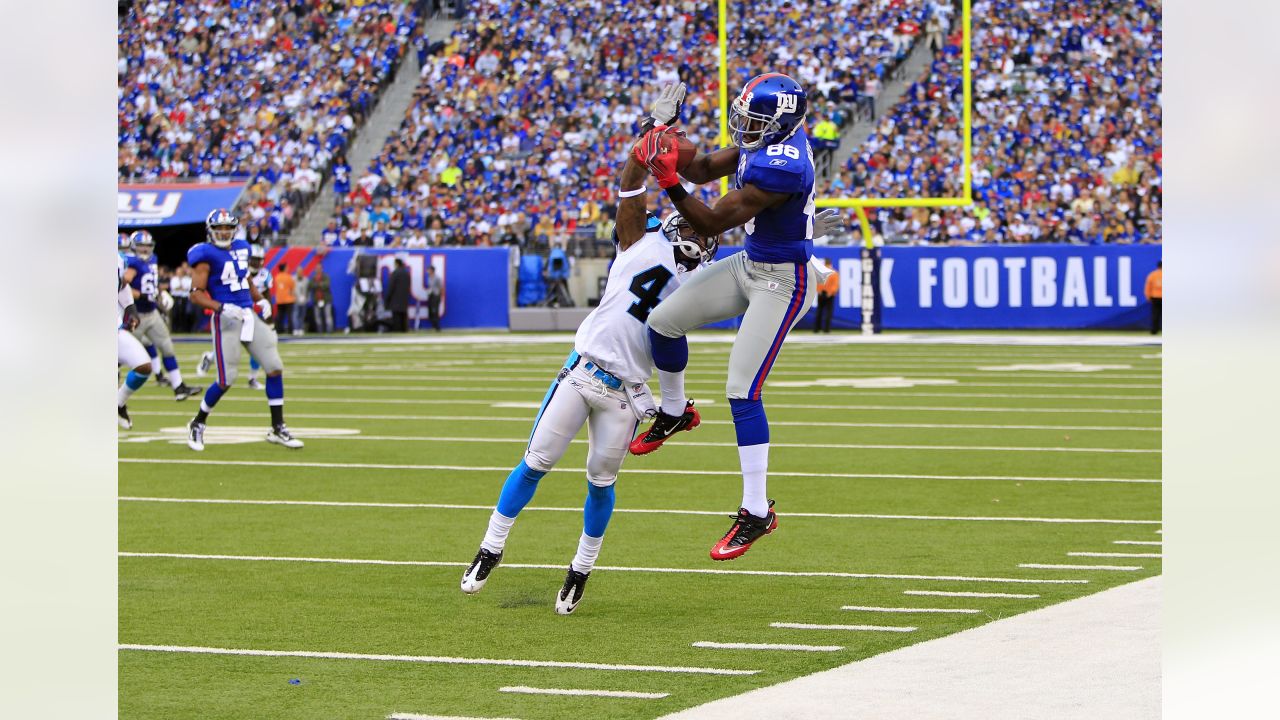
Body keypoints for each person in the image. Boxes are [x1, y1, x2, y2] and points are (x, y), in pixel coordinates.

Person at [460, 141, 717, 614]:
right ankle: (490, 547)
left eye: (706, 235)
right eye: (696, 230)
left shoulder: (705, 280)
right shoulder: (641, 238)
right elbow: (630, 190)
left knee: (601, 481)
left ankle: (580, 569)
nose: (699, 239)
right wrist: (647, 142)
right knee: (536, 461)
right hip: (583, 373)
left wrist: (799, 242)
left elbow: (756, 276)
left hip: (625, 394)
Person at [631, 77, 843, 561]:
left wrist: (667, 180)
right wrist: (661, 128)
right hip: (750, 265)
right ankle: (675, 410)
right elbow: (702, 165)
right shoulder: (767, 143)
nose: (745, 129)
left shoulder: (782, 164)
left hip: (783, 280)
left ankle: (755, 511)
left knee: (742, 391)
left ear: (781, 124)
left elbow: (707, 222)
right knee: (662, 322)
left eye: (755, 122)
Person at [183, 209, 303, 451]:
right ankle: (198, 422)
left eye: (228, 228)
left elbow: (245, 279)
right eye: (220, 229)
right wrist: (222, 307)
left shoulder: (242, 248)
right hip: (226, 319)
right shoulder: (204, 254)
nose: (224, 232)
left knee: (274, 367)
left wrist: (259, 299)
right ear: (211, 231)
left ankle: (278, 428)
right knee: (226, 380)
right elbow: (195, 295)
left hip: (248, 314)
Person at [123, 231, 202, 400]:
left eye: (147, 246)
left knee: (167, 348)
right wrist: (142, 295)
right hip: (136, 315)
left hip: (152, 313)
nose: (144, 250)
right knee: (121, 355)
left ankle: (178, 387)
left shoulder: (153, 259)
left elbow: (153, 281)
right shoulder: (131, 263)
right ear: (134, 247)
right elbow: (123, 286)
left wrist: (159, 295)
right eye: (141, 246)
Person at [117, 249, 151, 429]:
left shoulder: (118, 260)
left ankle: (117, 403)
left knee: (143, 366)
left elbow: (121, 284)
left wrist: (131, 310)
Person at [384, 256, 411, 332]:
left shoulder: (395, 273)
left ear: (397, 264)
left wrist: (387, 299)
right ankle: (404, 330)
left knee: (396, 316)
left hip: (395, 298)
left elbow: (391, 287)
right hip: (404, 298)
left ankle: (397, 330)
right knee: (403, 315)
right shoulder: (406, 273)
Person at [814, 258, 839, 333]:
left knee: (819, 311)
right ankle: (827, 329)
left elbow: (817, 282)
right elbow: (835, 285)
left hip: (821, 293)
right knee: (828, 312)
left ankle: (816, 329)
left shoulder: (821, 272)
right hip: (829, 295)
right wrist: (831, 293)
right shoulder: (834, 273)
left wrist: (819, 291)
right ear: (830, 263)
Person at [273, 263, 296, 334]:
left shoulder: (276, 277)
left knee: (280, 316)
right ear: (284, 268)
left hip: (279, 300)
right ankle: (290, 330)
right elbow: (292, 288)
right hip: (288, 299)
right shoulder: (288, 277)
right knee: (289, 316)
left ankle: (278, 329)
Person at [312, 266, 335, 334]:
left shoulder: (326, 277)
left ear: (322, 269)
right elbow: (311, 285)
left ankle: (329, 330)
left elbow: (326, 285)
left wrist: (318, 285)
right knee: (317, 316)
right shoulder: (313, 278)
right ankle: (320, 330)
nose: (318, 270)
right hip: (317, 300)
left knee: (328, 315)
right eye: (317, 268)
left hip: (326, 299)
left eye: (319, 268)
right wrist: (320, 285)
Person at [1145, 261, 1162, 334]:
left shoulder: (1152, 275)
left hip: (1155, 297)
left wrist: (1148, 297)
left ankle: (1154, 330)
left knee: (1155, 314)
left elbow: (1148, 287)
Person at [292, 269, 311, 336]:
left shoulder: (306, 280)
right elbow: (292, 290)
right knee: (295, 315)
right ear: (297, 272)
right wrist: (295, 297)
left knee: (302, 316)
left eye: (301, 272)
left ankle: (300, 329)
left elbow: (308, 290)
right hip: (296, 300)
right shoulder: (293, 279)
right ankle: (296, 329)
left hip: (304, 300)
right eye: (298, 272)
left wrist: (306, 298)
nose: (300, 273)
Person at [425, 264, 442, 331]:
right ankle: (433, 326)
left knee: (435, 311)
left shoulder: (437, 277)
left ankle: (437, 327)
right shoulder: (429, 277)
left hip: (436, 295)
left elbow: (440, 287)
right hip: (430, 295)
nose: (427, 271)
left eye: (428, 270)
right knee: (431, 311)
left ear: (432, 270)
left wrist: (439, 296)